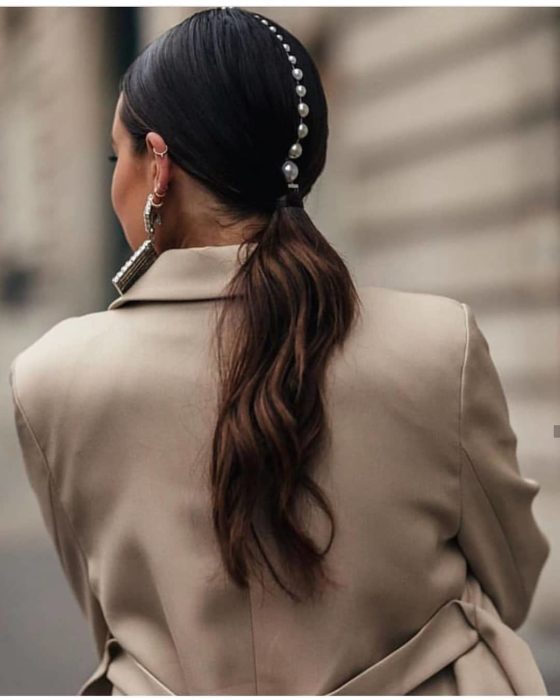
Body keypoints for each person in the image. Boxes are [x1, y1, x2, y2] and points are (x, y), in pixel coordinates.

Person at [9, 7, 551, 696]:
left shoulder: (50, 379)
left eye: (119, 157)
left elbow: (114, 621)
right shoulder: (441, 347)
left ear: (159, 167)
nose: (115, 178)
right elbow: (512, 578)